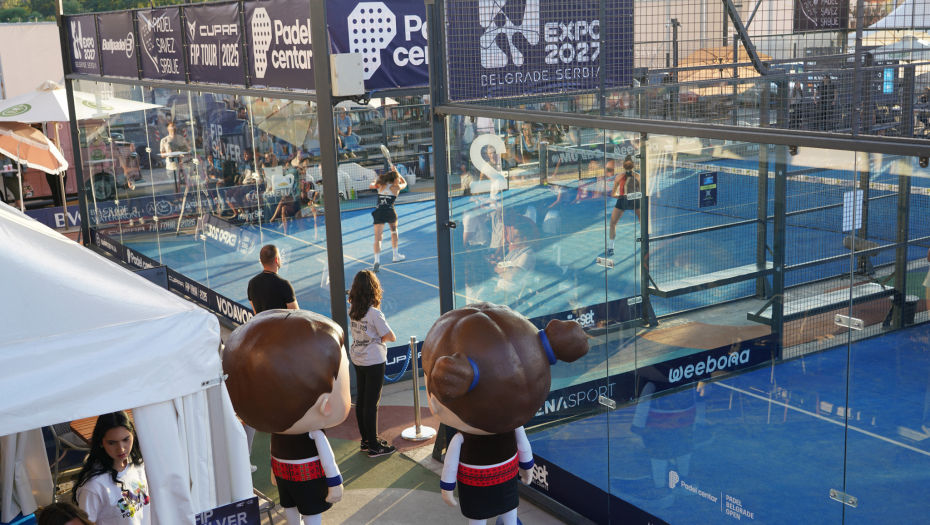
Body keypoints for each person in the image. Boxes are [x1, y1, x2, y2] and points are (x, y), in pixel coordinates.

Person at [347, 270, 398, 458]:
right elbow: (391, 336)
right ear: (373, 289)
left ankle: (366, 441)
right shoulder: (374, 313)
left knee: (361, 401)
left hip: (358, 358)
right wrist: (380, 337)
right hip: (373, 360)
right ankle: (375, 446)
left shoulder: (352, 309)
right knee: (371, 404)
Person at [73, 411, 149, 525]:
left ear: (133, 434)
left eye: (126, 439)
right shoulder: (93, 486)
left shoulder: (140, 464)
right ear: (100, 442)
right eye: (112, 443)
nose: (121, 449)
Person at [369, 169, 407, 272]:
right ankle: (395, 255)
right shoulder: (397, 187)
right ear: (394, 179)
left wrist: (374, 181)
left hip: (379, 212)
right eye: (397, 178)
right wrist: (398, 172)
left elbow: (371, 185)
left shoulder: (381, 185)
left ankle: (376, 261)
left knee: (378, 238)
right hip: (390, 212)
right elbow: (405, 184)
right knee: (394, 231)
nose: (398, 180)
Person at [248, 244, 298, 314]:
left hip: (262, 321)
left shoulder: (252, 283)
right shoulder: (284, 285)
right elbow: (296, 315)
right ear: (276, 260)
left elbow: (256, 312)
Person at [607, 158, 640, 256]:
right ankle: (646, 243)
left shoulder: (619, 177)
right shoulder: (638, 176)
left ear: (623, 166)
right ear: (633, 166)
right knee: (643, 222)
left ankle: (611, 247)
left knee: (613, 223)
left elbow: (613, 194)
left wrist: (622, 198)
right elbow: (641, 193)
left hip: (622, 201)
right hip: (635, 201)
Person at [159, 122, 190, 192]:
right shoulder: (164, 140)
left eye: (175, 125)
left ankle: (186, 196)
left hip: (182, 166)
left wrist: (181, 151)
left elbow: (188, 149)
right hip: (171, 166)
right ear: (168, 129)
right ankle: (177, 197)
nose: (174, 127)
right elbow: (162, 155)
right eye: (172, 126)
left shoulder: (181, 138)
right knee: (175, 186)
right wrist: (169, 153)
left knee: (185, 184)